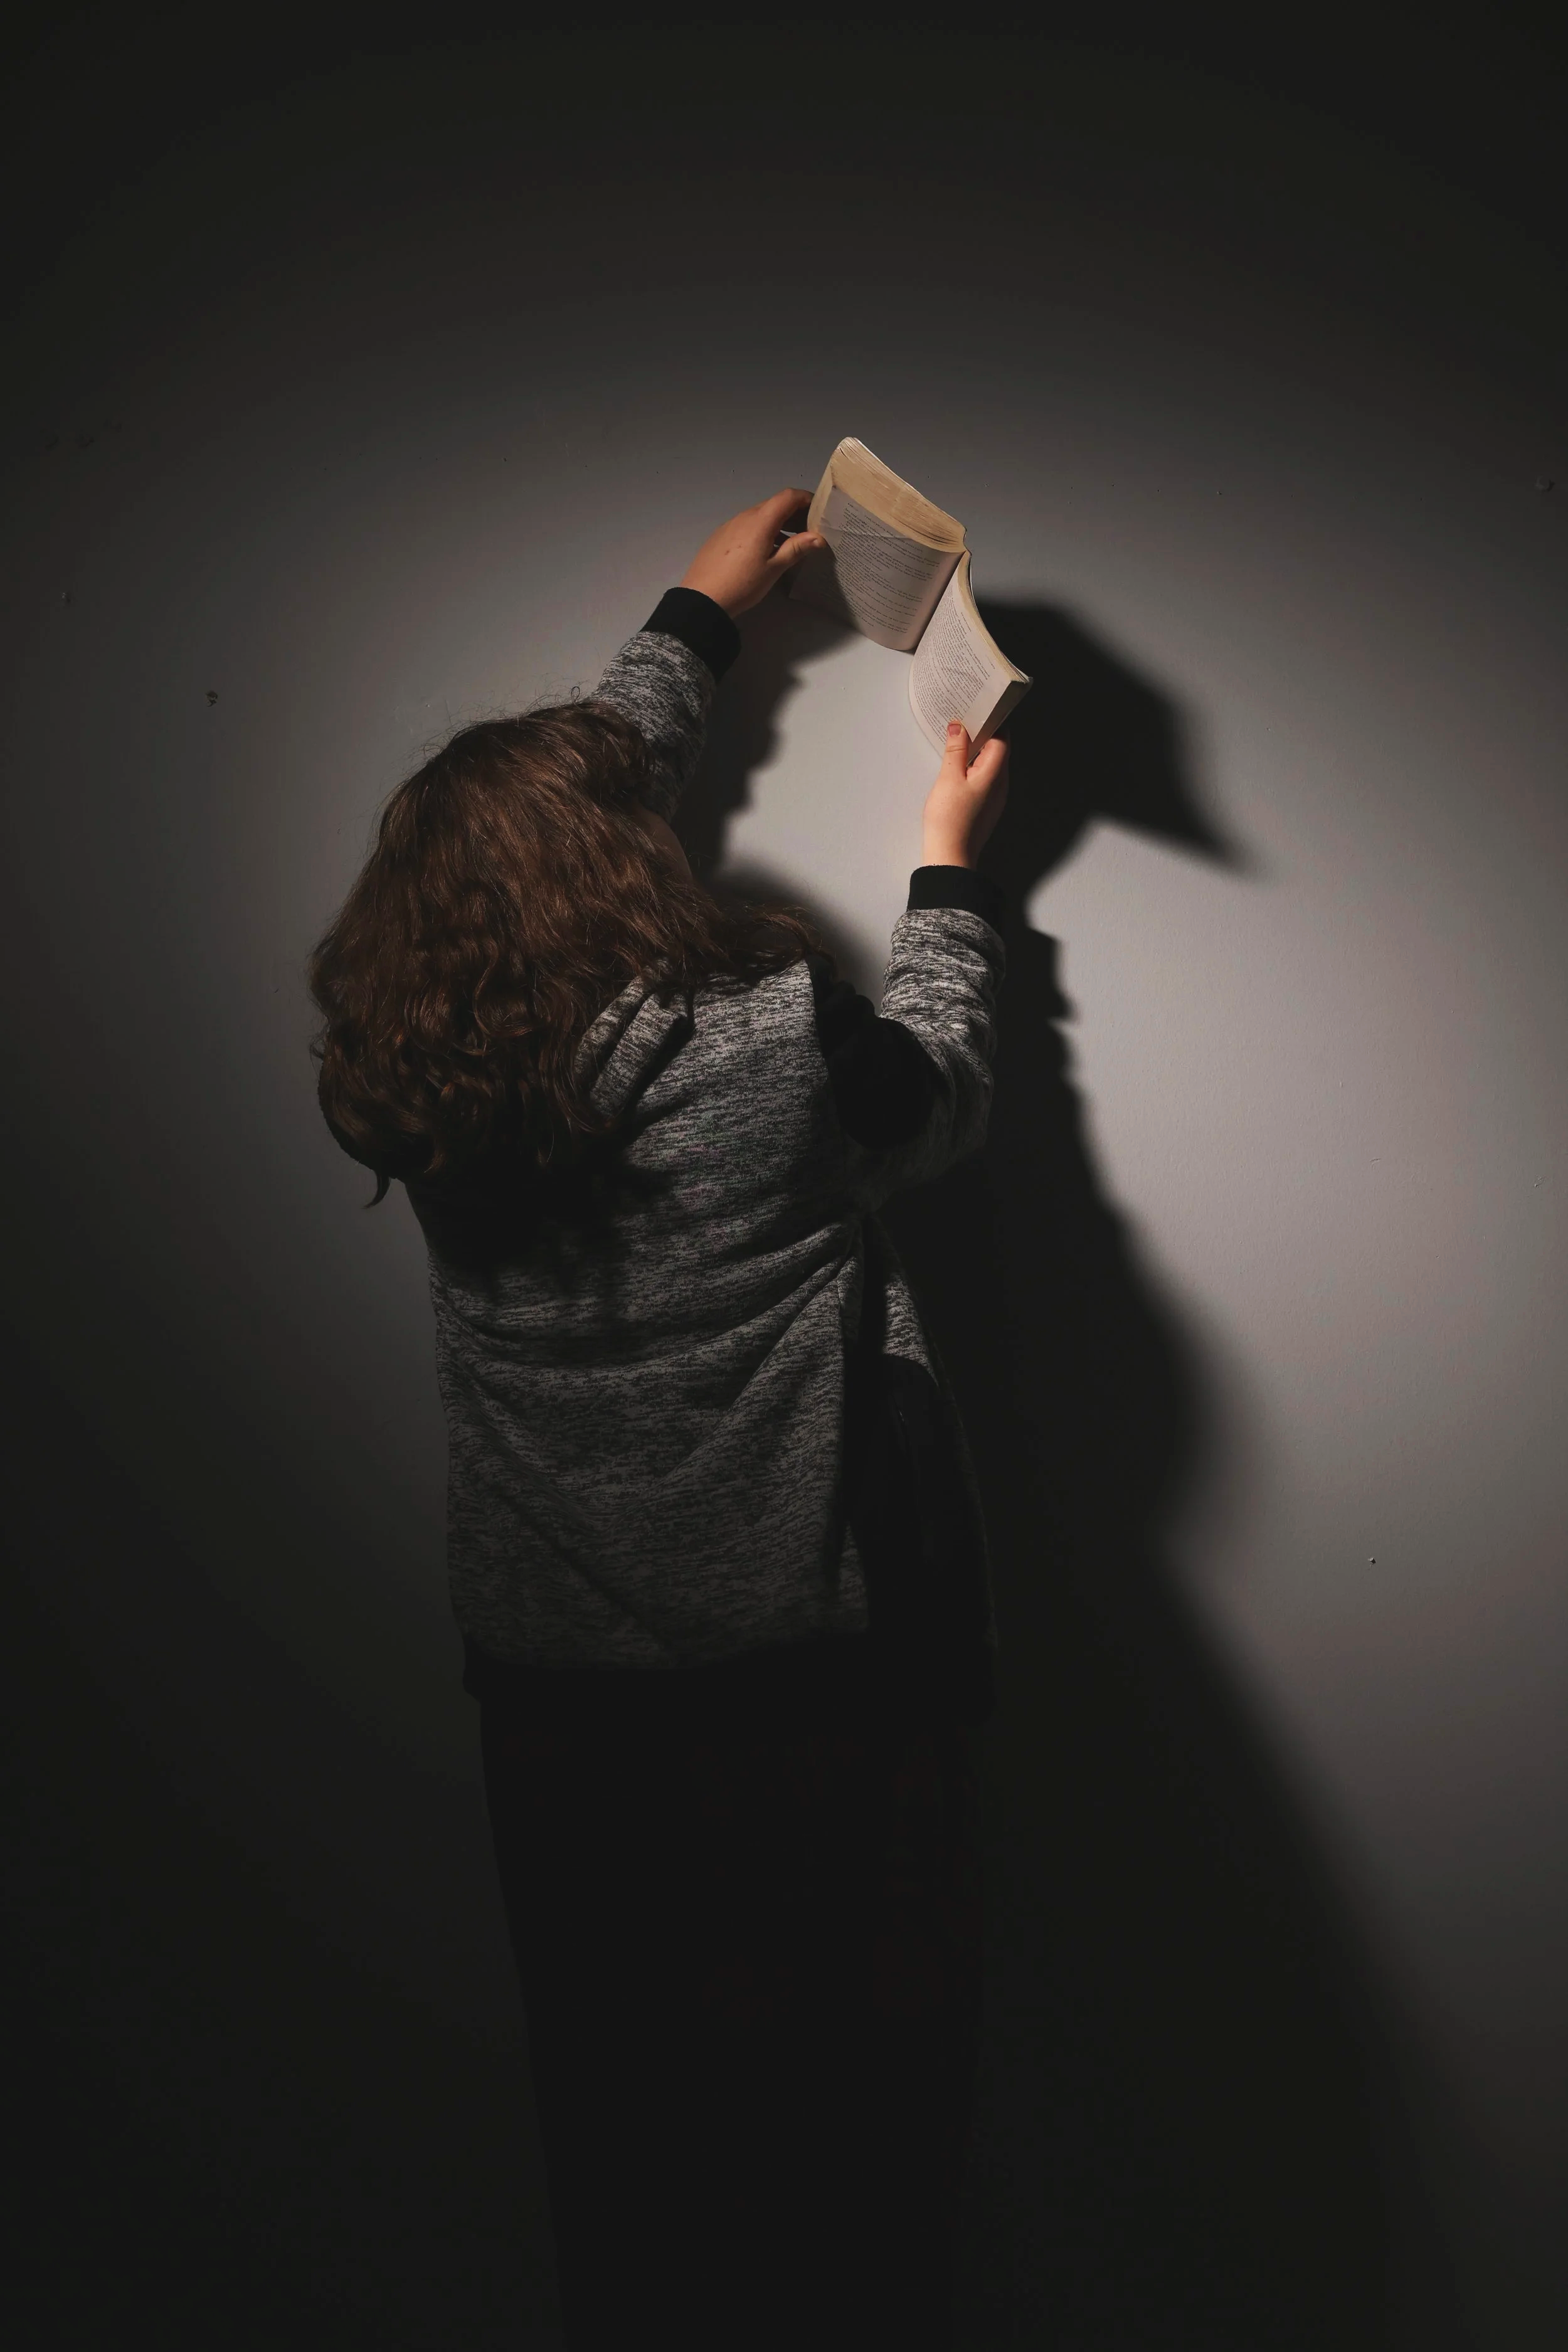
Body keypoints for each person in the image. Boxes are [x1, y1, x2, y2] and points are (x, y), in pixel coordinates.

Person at [307, 487, 1011, 2350]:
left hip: (558, 1709)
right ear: (610, 865)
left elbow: (561, 798)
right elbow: (933, 1095)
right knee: (861, 2146)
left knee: (629, 2148)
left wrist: (701, 612)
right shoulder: (769, 1043)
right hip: (819, 1690)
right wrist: (946, 868)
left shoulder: (415, 1057)